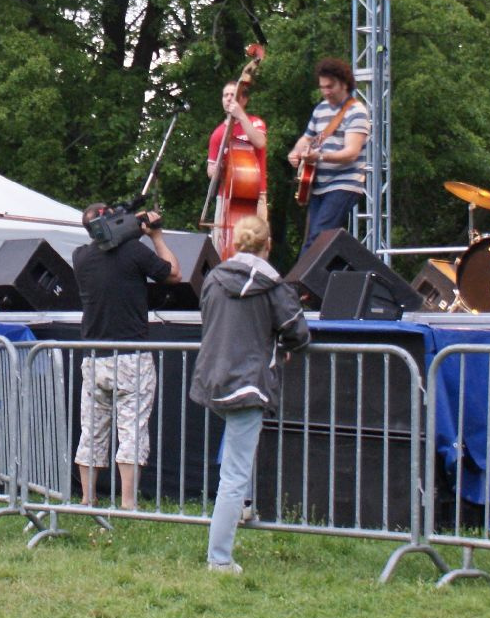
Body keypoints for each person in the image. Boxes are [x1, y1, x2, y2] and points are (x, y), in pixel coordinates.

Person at [189, 216, 310, 574]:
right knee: (234, 475)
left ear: (236, 244)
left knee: (234, 461)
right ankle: (220, 558)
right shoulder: (274, 286)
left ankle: (240, 508)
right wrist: (280, 343)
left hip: (214, 378)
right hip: (249, 382)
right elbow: (297, 333)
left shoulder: (213, 278)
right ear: (267, 245)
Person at [70, 204, 180, 510]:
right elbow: (173, 273)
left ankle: (87, 499)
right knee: (132, 431)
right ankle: (128, 503)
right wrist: (155, 236)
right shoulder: (135, 252)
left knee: (92, 431)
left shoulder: (80, 256)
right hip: (131, 355)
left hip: (94, 357)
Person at [287, 57, 371, 253]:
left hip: (345, 182)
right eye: (322, 87)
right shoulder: (320, 109)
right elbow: (307, 139)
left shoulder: (357, 112)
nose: (326, 92)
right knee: (316, 239)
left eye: (330, 86)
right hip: (318, 185)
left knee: (318, 237)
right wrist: (295, 152)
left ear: (344, 84)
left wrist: (321, 157)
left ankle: (300, 283)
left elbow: (351, 153)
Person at [207, 79, 270, 254]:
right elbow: (211, 171)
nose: (228, 99)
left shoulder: (255, 122)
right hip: (226, 196)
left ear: (243, 100)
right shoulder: (218, 134)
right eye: (225, 95)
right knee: (222, 244)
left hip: (254, 193)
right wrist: (217, 168)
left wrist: (241, 116)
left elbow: (260, 142)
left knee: (258, 243)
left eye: (232, 95)